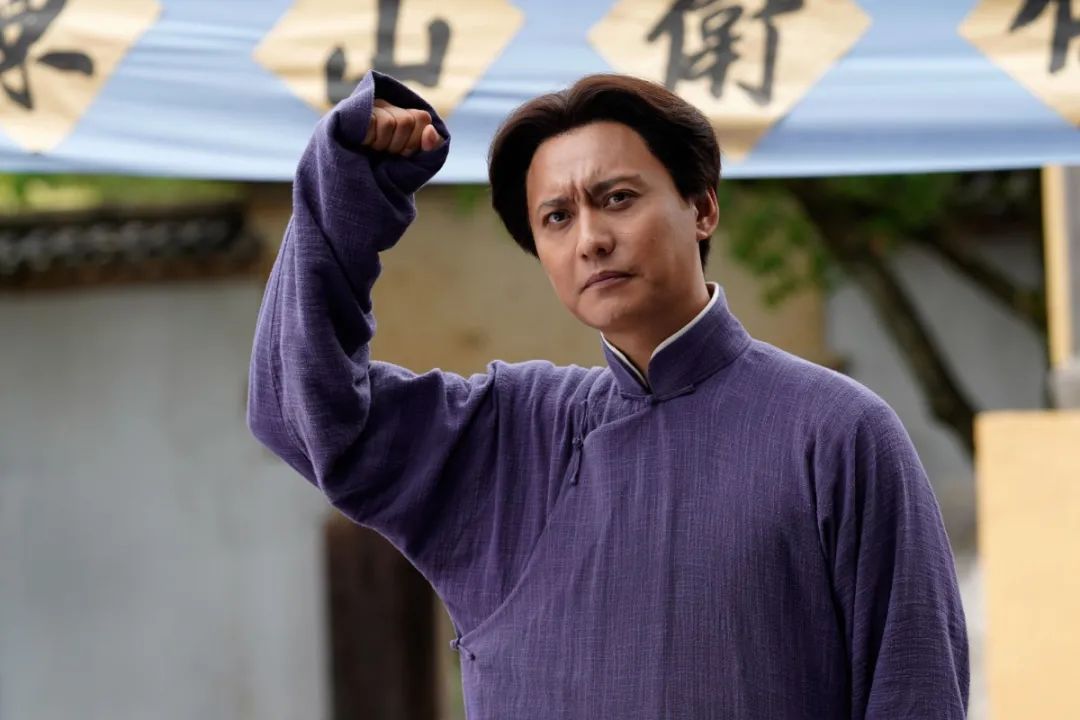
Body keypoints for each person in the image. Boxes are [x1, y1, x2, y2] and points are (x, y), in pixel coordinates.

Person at [246, 69, 969, 719]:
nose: (590, 239)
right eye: (556, 218)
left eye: (617, 198)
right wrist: (348, 197)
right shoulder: (508, 437)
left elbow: (915, 690)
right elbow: (304, 413)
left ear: (702, 208)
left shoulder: (836, 432)